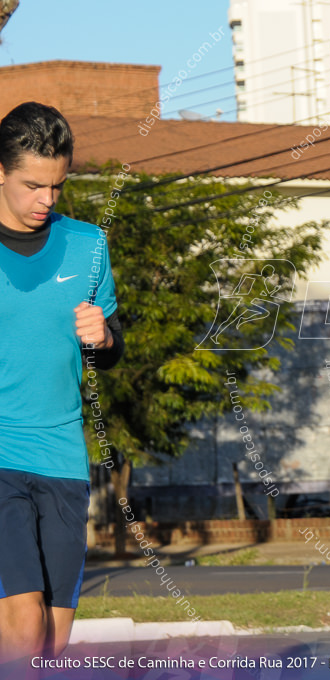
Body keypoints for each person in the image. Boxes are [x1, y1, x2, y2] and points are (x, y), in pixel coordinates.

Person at [0, 102, 123, 670]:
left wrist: (102, 338)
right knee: (24, 628)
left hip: (62, 456)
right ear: (0, 172)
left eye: (57, 186)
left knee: (52, 640)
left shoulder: (88, 245)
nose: (46, 200)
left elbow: (110, 349)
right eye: (32, 185)